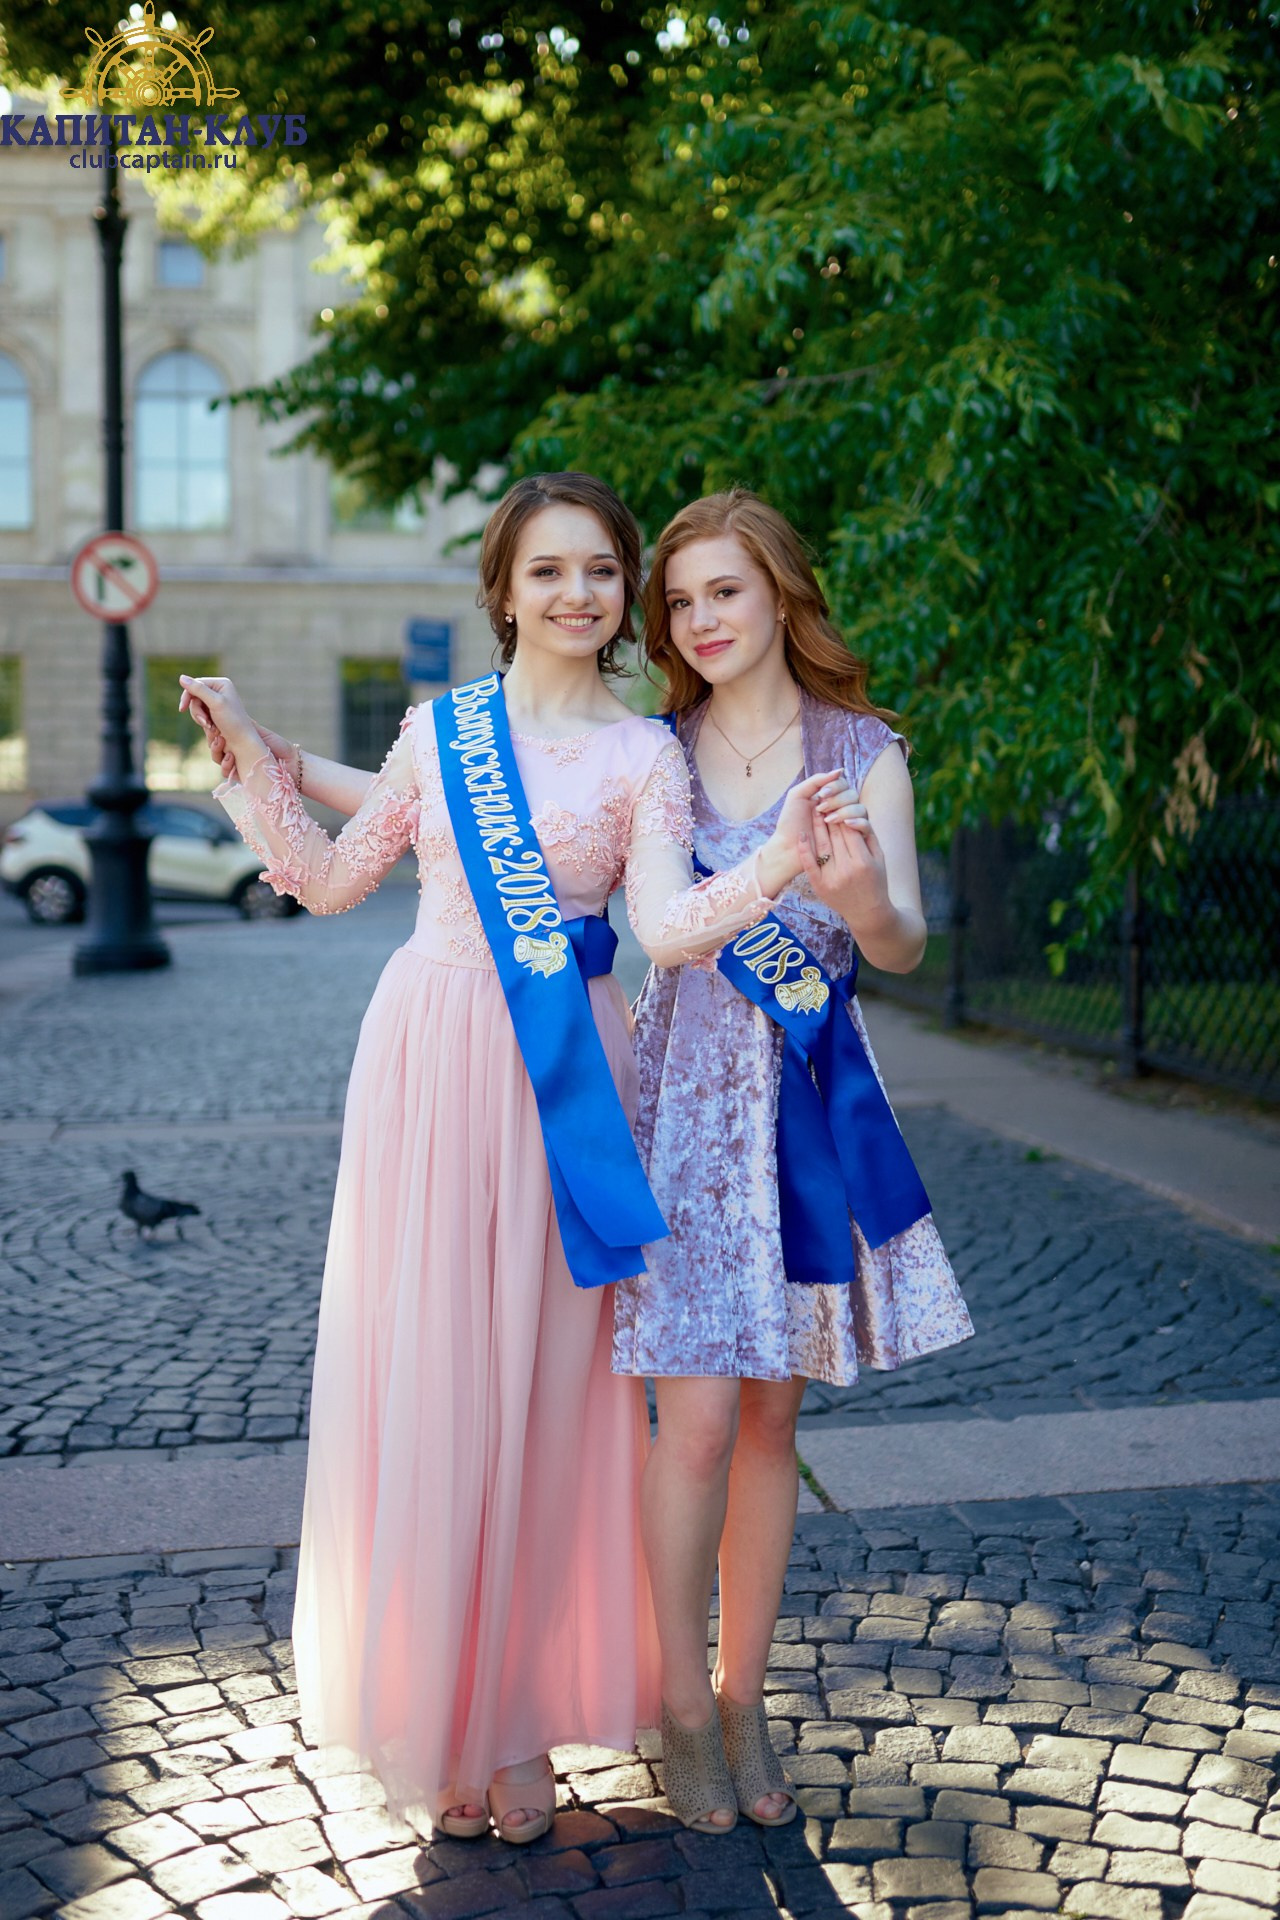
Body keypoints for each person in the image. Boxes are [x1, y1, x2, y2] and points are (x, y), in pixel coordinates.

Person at [178, 472, 850, 1845]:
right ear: (504, 589)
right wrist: (250, 762)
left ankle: (523, 1719)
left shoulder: (643, 755)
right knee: (434, 1381)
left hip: (569, 1084)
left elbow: (662, 930)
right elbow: (333, 879)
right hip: (428, 1062)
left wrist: (777, 864)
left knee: (548, 1394)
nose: (576, 594)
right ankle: (451, 1719)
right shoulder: (443, 734)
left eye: (600, 570)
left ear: (623, 590)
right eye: (547, 570)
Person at [614, 488, 974, 1831]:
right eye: (682, 600)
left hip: (805, 1103)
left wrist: (862, 895)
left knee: (773, 1419)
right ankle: (677, 1703)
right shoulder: (655, 751)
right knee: (697, 1422)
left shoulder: (863, 750)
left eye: (727, 590)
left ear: (779, 592)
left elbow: (902, 943)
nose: (703, 618)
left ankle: (742, 1697)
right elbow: (653, 928)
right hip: (683, 1110)